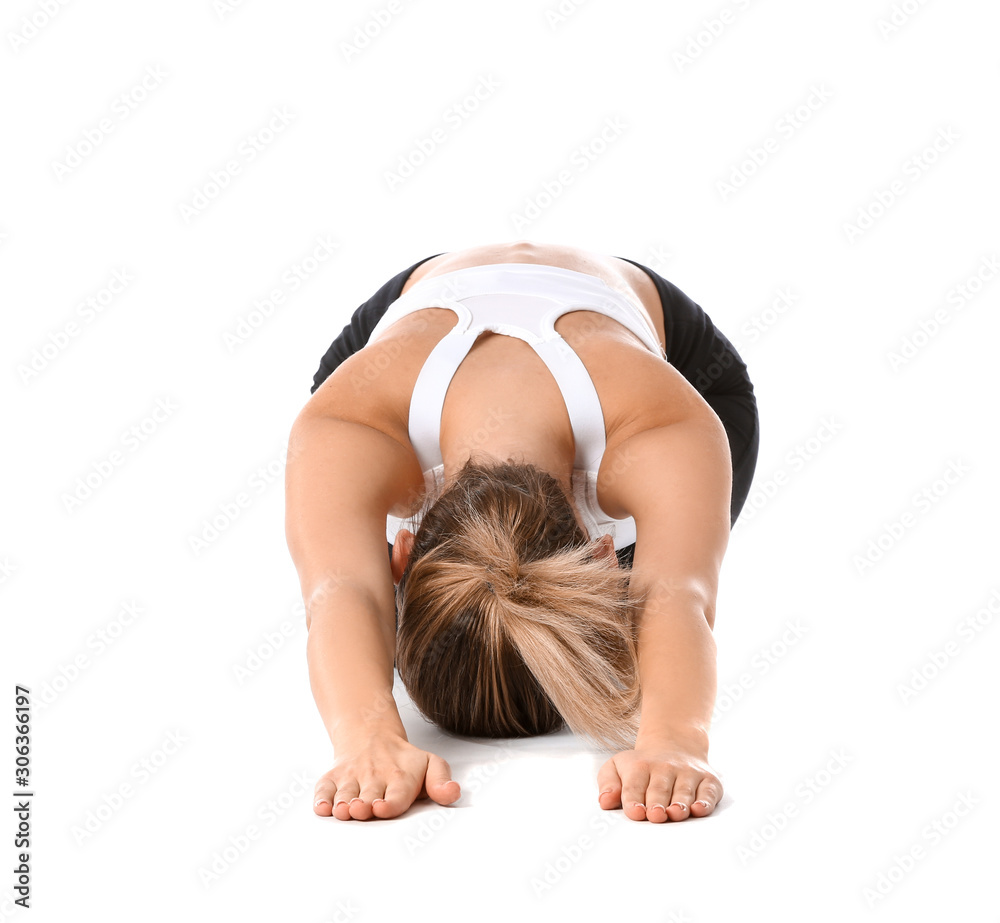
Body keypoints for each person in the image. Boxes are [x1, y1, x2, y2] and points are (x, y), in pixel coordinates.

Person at [284, 240, 759, 824]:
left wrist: (676, 741)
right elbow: (342, 591)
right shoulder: (348, 419)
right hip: (417, 345)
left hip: (680, 369)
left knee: (669, 555)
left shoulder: (669, 420)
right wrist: (363, 738)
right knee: (344, 540)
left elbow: (679, 594)